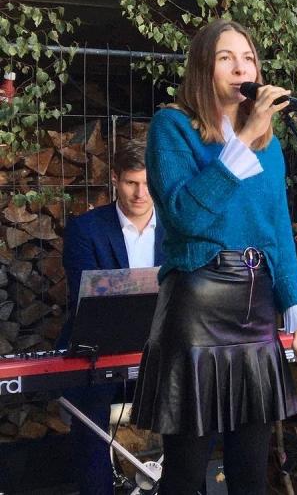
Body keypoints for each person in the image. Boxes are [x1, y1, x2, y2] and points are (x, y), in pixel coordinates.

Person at [130, 19, 297, 495]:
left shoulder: (268, 144)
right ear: (203, 68)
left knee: (250, 472)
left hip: (255, 312)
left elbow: (277, 232)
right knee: (186, 472)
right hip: (197, 307)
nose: (241, 68)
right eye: (226, 58)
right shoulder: (171, 127)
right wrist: (240, 140)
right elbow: (185, 215)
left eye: (249, 59)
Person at [59, 139, 164, 495]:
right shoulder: (85, 229)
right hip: (98, 349)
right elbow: (85, 301)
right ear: (115, 180)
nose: (139, 193)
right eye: (131, 182)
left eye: (148, 183)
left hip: (160, 346)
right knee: (90, 421)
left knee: (197, 396)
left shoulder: (177, 230)